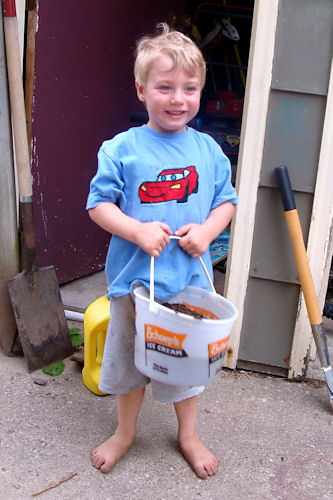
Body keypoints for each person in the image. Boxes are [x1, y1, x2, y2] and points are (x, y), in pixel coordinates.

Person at [86, 22, 238, 479]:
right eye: (165, 87)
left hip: (187, 286)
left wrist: (208, 232)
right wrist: (136, 231)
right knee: (131, 365)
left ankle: (188, 435)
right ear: (141, 89)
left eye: (189, 88)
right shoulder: (121, 150)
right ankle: (125, 431)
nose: (178, 99)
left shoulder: (209, 150)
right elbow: (98, 206)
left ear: (200, 91)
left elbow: (226, 202)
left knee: (186, 369)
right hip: (135, 286)